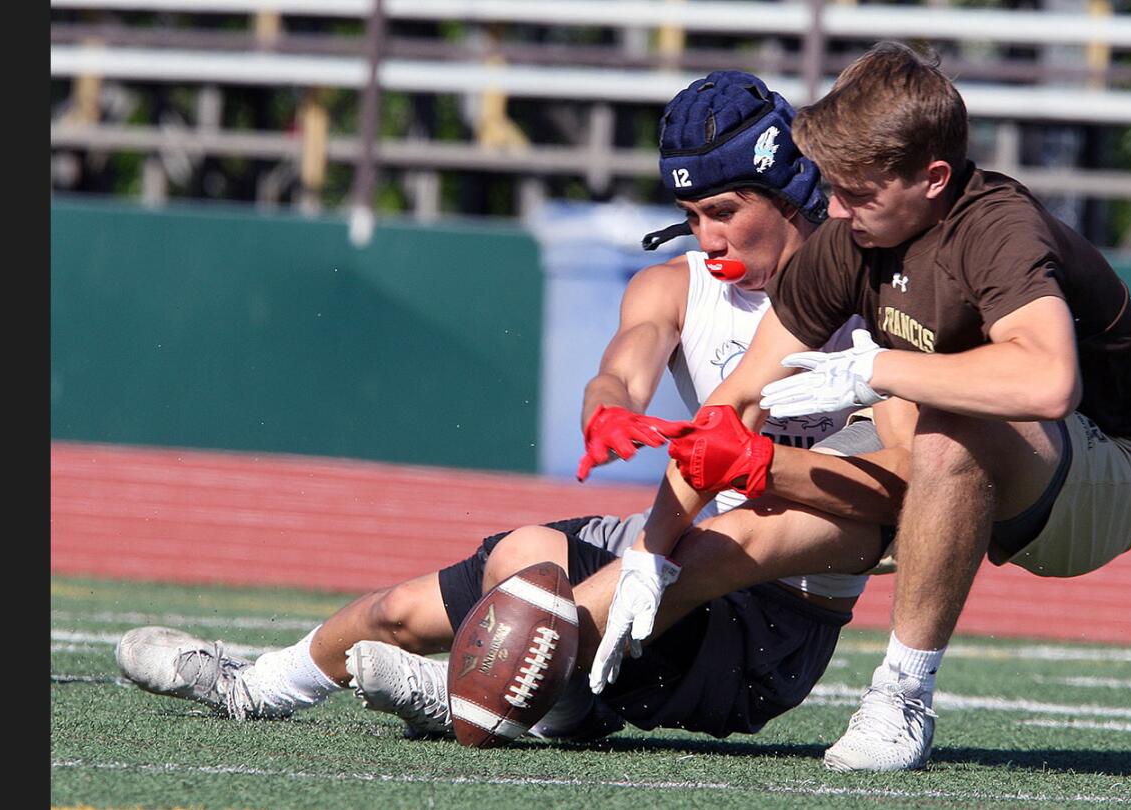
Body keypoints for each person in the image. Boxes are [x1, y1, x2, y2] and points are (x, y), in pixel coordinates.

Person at [115, 69, 911, 742]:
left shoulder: (882, 302)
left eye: (725, 212)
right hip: (675, 551)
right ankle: (259, 685)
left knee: (726, 535)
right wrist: (607, 411)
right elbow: (622, 371)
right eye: (692, 216)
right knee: (491, 567)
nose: (705, 239)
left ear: (790, 189)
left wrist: (762, 465)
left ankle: (472, 691)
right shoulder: (674, 288)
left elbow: (903, 491)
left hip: (774, 625)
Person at [593, 41, 1131, 772]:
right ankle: (560, 663)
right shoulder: (847, 238)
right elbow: (736, 404)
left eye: (858, 193)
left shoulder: (997, 228)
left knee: (944, 426)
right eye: (832, 186)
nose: (834, 209)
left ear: (933, 179)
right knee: (762, 504)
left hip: (1095, 474)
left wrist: (876, 369)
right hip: (951, 463)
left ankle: (902, 696)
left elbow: (1049, 381)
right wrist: (652, 548)